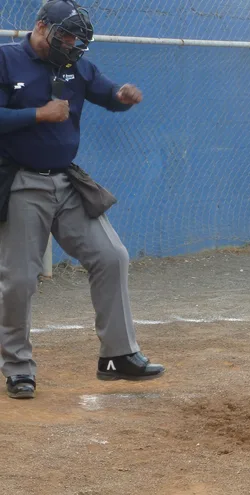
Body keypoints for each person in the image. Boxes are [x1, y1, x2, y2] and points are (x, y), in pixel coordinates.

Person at [0, 0, 165, 400]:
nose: (73, 45)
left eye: (78, 40)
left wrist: (121, 96)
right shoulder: (7, 60)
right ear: (42, 27)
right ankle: (18, 368)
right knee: (20, 280)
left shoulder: (74, 65)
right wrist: (37, 115)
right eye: (67, 35)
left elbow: (104, 90)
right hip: (22, 181)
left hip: (68, 182)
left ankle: (118, 355)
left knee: (111, 256)